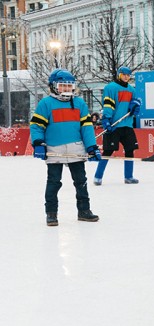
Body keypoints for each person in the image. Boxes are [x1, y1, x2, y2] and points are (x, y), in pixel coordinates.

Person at [29, 69, 102, 226]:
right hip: (54, 150)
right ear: (54, 87)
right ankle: (51, 213)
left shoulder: (80, 104)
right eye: (63, 86)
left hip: (76, 148)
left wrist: (91, 147)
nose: (67, 89)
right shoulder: (45, 104)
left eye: (70, 86)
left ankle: (84, 211)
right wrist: (38, 143)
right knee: (54, 182)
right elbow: (36, 126)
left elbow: (87, 128)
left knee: (81, 181)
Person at [93, 66, 142, 185]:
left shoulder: (132, 90)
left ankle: (128, 176)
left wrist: (135, 106)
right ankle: (98, 177)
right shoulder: (111, 88)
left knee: (130, 150)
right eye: (124, 74)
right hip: (114, 125)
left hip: (127, 125)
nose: (126, 77)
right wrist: (107, 120)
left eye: (128, 75)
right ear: (119, 74)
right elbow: (108, 105)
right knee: (108, 151)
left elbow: (135, 103)